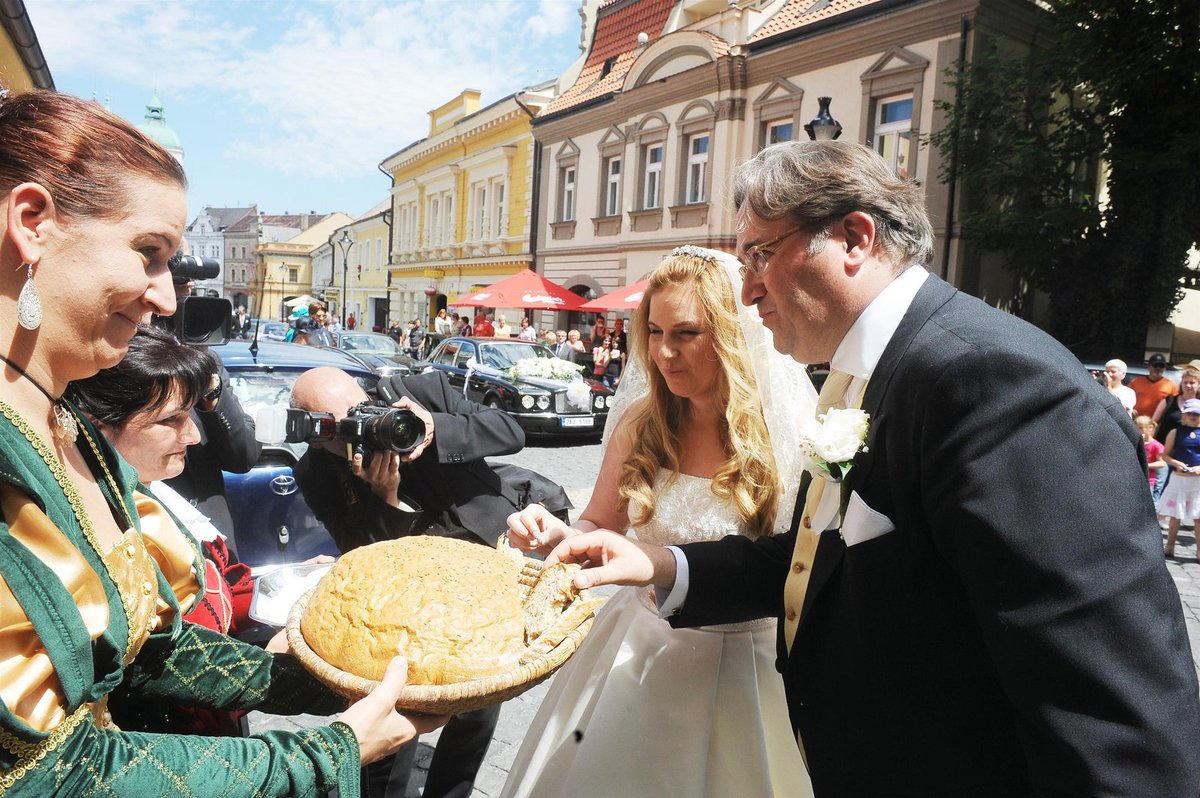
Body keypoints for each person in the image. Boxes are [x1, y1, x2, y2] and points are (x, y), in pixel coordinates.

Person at [546, 141, 1200, 796]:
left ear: (854, 238)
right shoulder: (869, 375)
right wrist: (663, 564)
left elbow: (1109, 717)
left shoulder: (995, 384)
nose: (746, 291)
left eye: (761, 255)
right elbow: (814, 563)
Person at [0, 89, 442, 796]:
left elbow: (146, 651)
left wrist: (328, 680)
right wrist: (324, 756)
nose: (166, 298)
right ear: (32, 223)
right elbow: (45, 772)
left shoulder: (64, 420)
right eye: (148, 253)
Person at [503, 248, 814, 798]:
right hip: (637, 651)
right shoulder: (640, 424)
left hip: (751, 666)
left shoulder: (783, 435)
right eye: (653, 331)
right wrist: (558, 535)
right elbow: (601, 523)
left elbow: (797, 562)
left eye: (687, 333)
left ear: (730, 335)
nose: (664, 352)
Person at [290, 366, 571, 798]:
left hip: (481, 564)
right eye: (347, 427)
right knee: (392, 708)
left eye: (364, 410)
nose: (367, 429)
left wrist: (435, 426)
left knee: (477, 707)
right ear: (316, 433)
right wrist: (386, 496)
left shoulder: (419, 390)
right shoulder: (317, 471)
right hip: (403, 599)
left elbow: (511, 431)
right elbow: (362, 553)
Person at [1158, 398, 1200, 560]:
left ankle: (1199, 551)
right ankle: (1169, 546)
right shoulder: (1175, 432)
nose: (1192, 416)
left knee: (1198, 518)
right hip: (1179, 478)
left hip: (1197, 481)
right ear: (1184, 414)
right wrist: (1176, 462)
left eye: (1196, 413)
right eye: (1189, 413)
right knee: (1175, 516)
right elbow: (1165, 455)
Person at [1130, 352, 1178, 417]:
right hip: (1135, 421)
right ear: (1149, 367)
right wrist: (1130, 409)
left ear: (1164, 368)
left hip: (1157, 424)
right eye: (1155, 365)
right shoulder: (1136, 382)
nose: (1158, 368)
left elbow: (1175, 405)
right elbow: (1125, 398)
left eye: (1161, 366)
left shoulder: (1171, 386)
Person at [1135, 414, 1166, 497]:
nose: (1138, 430)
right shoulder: (1136, 443)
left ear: (1150, 428)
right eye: (1137, 427)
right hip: (1135, 478)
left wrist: (1147, 465)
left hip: (1148, 480)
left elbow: (1162, 463)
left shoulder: (1156, 445)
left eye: (1141, 427)